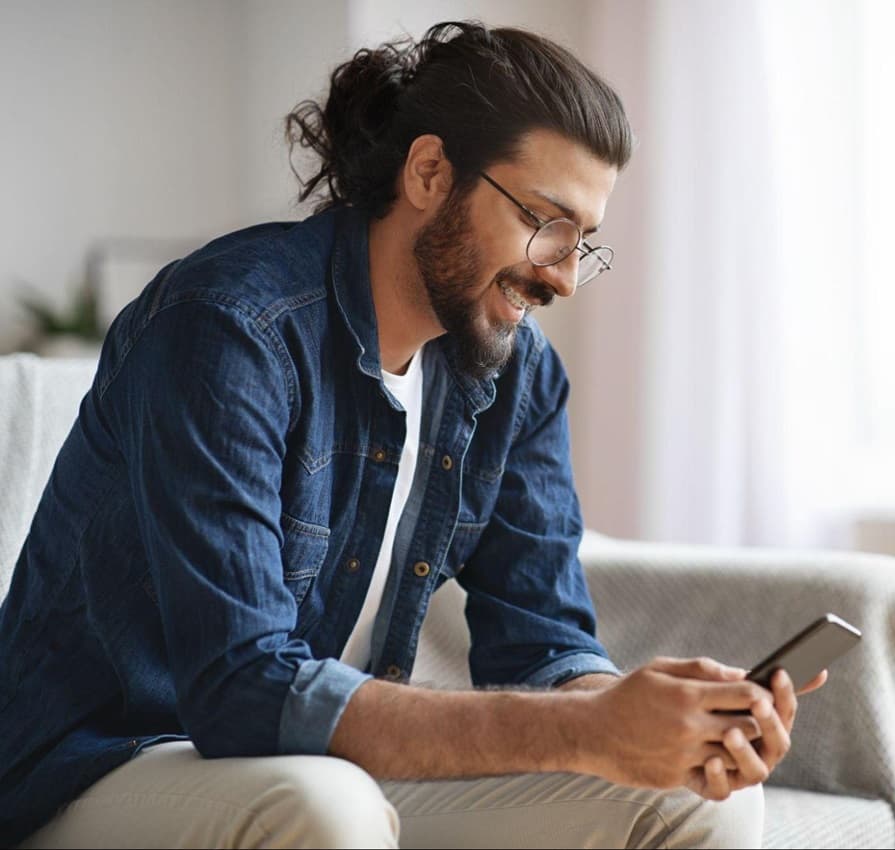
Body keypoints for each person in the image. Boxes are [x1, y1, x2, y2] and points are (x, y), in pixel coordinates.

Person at [0, 21, 825, 848]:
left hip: (315, 765)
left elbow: (539, 640)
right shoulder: (228, 328)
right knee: (325, 806)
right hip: (103, 761)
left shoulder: (514, 376)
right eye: (546, 223)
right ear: (430, 172)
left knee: (695, 797)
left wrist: (644, 719)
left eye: (586, 245)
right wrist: (588, 731)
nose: (565, 277)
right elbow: (242, 691)